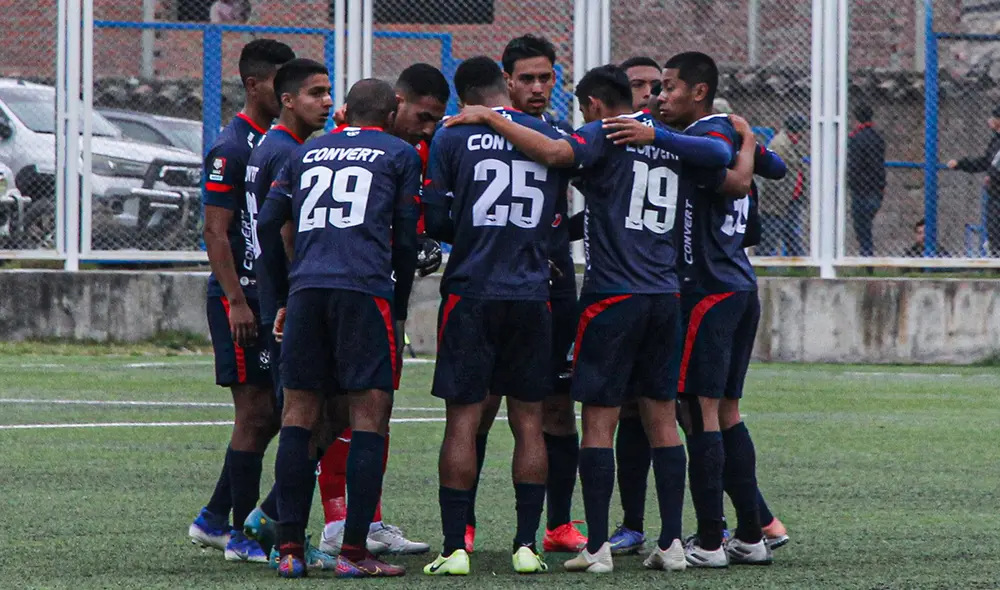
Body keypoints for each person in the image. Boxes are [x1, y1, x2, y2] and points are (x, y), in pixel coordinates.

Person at [445, 63, 755, 574]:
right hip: (664, 296)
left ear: (591, 104)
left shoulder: (604, 133)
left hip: (612, 297)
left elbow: (552, 152)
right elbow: (725, 162)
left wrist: (490, 118)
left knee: (598, 421)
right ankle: (674, 543)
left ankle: (597, 550)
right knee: (661, 418)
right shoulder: (674, 141)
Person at [257, 78, 422, 578]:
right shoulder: (399, 152)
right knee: (371, 413)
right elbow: (406, 238)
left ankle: (289, 550)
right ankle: (354, 553)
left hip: (307, 291)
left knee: (299, 416)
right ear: (393, 111)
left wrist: (285, 294)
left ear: (345, 111)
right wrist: (397, 302)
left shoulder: (306, 149)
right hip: (363, 290)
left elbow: (267, 224)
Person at [419, 56, 567, 576]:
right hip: (531, 292)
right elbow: (562, 218)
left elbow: (437, 218)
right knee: (529, 420)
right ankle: (527, 546)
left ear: (466, 98)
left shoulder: (452, 135)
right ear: (506, 85)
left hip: (471, 291)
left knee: (463, 419)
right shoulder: (549, 134)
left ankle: (455, 548)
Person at [458, 35, 586, 557]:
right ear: (507, 80)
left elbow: (597, 201)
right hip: (491, 289)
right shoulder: (470, 134)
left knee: (556, 410)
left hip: (553, 290)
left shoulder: (562, 135)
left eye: (546, 78)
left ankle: (556, 526)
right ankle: (462, 528)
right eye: (527, 78)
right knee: (481, 409)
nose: (537, 87)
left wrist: (561, 238)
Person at [314, 62, 449, 558]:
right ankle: (332, 523)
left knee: (370, 410)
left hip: (361, 292)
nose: (428, 126)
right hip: (353, 296)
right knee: (342, 411)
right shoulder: (376, 148)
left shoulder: (413, 148)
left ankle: (360, 521)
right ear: (396, 105)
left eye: (438, 118)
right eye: (422, 114)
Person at [654, 51, 773, 567]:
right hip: (740, 287)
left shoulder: (706, 136)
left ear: (698, 91)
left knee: (697, 412)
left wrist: (654, 135)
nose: (661, 98)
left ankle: (707, 542)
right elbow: (777, 166)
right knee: (724, 412)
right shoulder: (726, 133)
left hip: (709, 290)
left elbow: (737, 180)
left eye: (670, 88)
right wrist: (749, 141)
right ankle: (750, 534)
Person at [189, 38, 294, 564]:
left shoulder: (280, 140)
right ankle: (239, 535)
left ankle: (213, 518)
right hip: (242, 298)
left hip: (270, 297)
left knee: (273, 413)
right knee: (256, 414)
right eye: (282, 82)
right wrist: (235, 301)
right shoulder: (233, 147)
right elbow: (215, 231)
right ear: (254, 85)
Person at [231, 57, 338, 570]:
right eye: (316, 93)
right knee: (308, 417)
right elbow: (284, 233)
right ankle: (274, 527)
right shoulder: (289, 152)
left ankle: (267, 519)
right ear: (287, 98)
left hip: (282, 298)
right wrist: (299, 294)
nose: (327, 102)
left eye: (329, 91)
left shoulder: (276, 146)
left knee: (311, 416)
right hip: (290, 304)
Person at [947, 106, 1000, 256]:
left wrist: (992, 175)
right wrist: (961, 164)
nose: (989, 121)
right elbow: (986, 162)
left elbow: (995, 166)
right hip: (995, 193)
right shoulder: (995, 140)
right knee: (993, 229)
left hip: (997, 190)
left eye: (993, 118)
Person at [764, 114, 808, 256]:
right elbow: (776, 176)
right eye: (802, 131)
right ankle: (762, 262)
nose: (803, 135)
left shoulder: (792, 144)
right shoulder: (780, 145)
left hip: (791, 198)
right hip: (779, 200)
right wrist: (779, 200)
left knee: (791, 233)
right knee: (772, 232)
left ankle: (799, 264)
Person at [847, 103, 886, 257]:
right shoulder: (878, 138)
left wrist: (852, 184)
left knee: (862, 228)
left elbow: (854, 167)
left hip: (861, 190)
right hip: (875, 189)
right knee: (866, 224)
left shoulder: (855, 139)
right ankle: (867, 258)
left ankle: (866, 257)